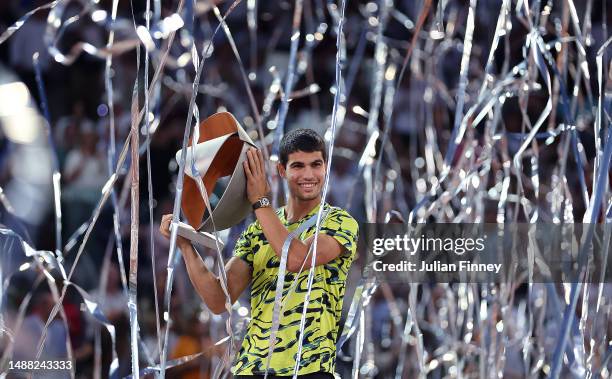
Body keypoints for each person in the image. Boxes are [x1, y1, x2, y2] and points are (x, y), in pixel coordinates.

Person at [160, 128, 359, 378]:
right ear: (282, 171)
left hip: (307, 369)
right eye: (298, 166)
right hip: (252, 369)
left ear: (325, 168)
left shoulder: (339, 221)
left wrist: (260, 202)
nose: (308, 175)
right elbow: (218, 300)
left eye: (316, 165)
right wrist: (186, 247)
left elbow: (296, 259)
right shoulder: (258, 229)